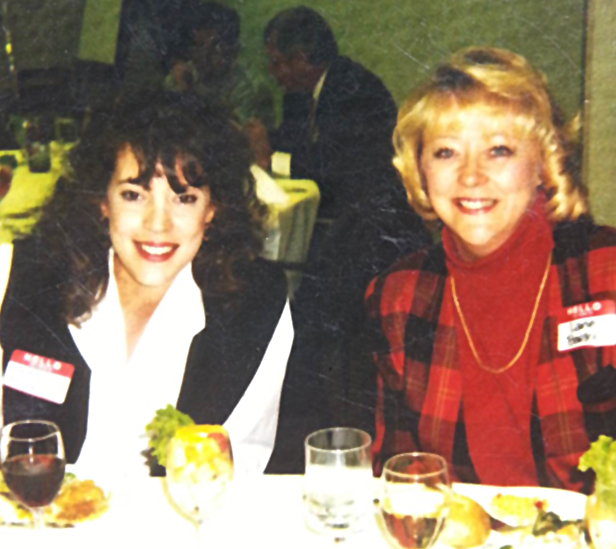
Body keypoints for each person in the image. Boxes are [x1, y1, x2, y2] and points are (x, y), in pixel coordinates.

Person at [0, 93, 293, 481]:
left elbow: (239, 466)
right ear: (101, 200)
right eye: (133, 195)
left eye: (184, 198)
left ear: (213, 209)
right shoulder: (17, 275)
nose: (158, 224)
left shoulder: (255, 305)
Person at [366, 46, 616, 492]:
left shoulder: (606, 272)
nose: (470, 176)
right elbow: (399, 476)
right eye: (446, 153)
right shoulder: (399, 296)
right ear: (420, 172)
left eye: (498, 150)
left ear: (544, 164)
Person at [262, 6, 399, 220]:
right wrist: (261, 140)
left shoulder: (355, 89)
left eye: (275, 62)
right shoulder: (297, 94)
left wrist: (270, 160)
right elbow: (292, 146)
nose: (270, 71)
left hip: (372, 220)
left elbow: (331, 170)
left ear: (300, 59)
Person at [165, 2, 274, 129]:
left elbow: (233, 136)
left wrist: (189, 94)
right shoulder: (179, 77)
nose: (201, 55)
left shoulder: (250, 87)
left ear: (232, 50)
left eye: (213, 47)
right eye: (197, 46)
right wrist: (182, 89)